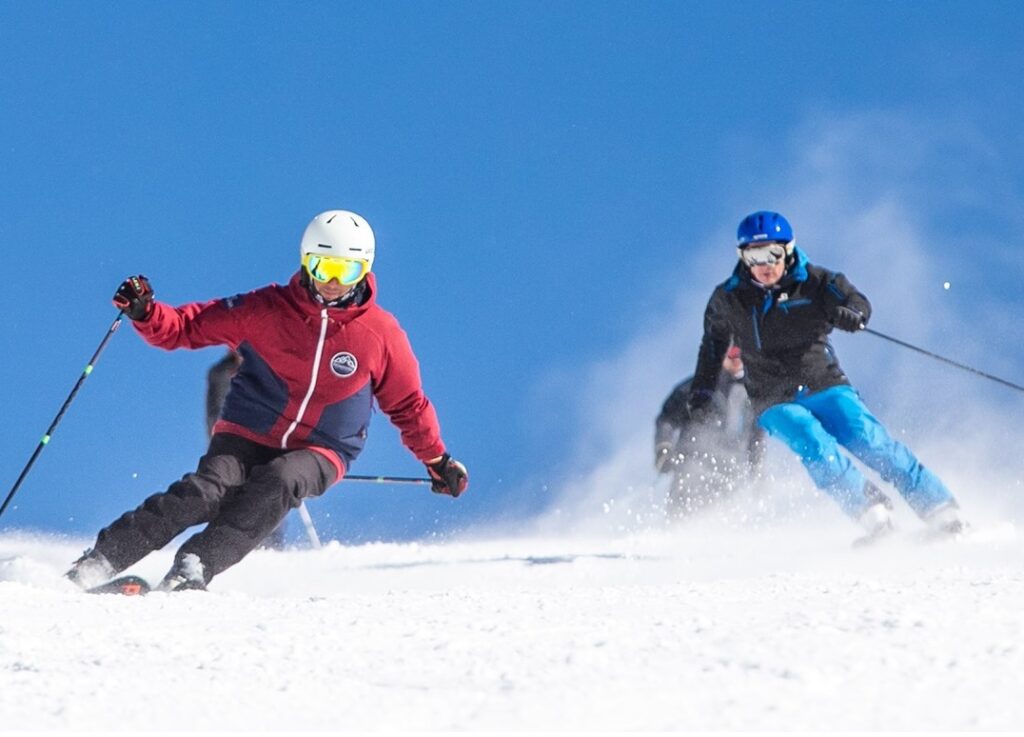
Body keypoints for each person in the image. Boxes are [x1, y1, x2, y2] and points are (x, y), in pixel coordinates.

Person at [67, 210, 469, 591]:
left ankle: (195, 566)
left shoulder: (380, 335)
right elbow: (187, 327)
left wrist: (437, 460)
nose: (331, 281)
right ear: (305, 262)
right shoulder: (266, 309)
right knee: (205, 491)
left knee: (280, 481)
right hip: (249, 431)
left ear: (364, 270)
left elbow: (408, 406)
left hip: (323, 448)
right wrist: (146, 313)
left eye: (345, 270)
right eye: (321, 267)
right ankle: (99, 561)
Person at [686, 210, 964, 544]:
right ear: (742, 257)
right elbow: (712, 346)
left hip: (822, 382)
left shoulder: (815, 282)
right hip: (772, 396)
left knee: (868, 439)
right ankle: (874, 517)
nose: (765, 264)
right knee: (812, 443)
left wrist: (853, 315)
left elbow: (855, 300)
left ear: (788, 250)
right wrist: (702, 391)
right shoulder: (728, 298)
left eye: (772, 253)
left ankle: (941, 510)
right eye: (754, 255)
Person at [654, 346, 764, 518]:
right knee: (682, 518)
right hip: (693, 465)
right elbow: (667, 418)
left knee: (722, 522)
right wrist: (664, 448)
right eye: (732, 352)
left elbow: (756, 436)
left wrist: (756, 471)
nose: (737, 358)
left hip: (730, 472)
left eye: (742, 352)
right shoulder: (699, 386)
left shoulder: (751, 393)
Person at [206, 349, 287, 550]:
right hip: (235, 445)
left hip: (267, 441)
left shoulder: (268, 369)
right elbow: (216, 414)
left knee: (269, 490)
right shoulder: (223, 373)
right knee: (235, 494)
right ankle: (226, 547)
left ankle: (269, 547)